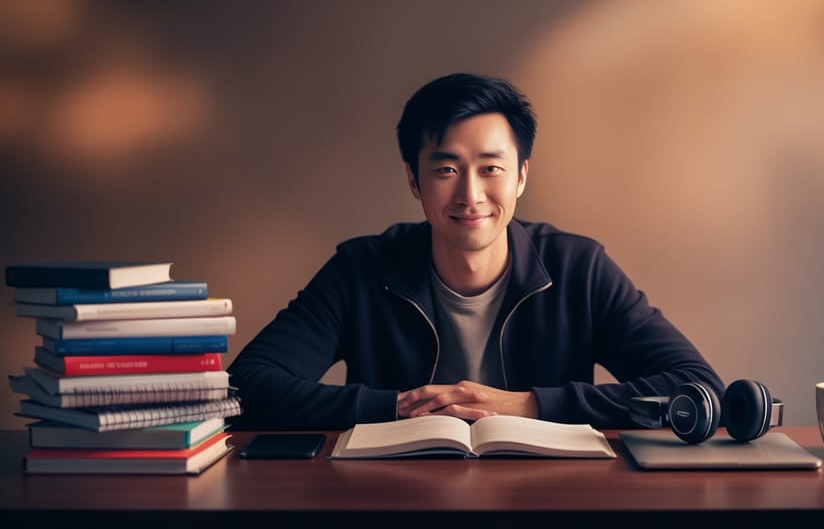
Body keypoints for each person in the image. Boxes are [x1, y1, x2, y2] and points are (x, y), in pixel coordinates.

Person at [226, 72, 724, 430]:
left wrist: (527, 405)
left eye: (491, 168)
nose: (470, 195)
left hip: (550, 500)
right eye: (446, 170)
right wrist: (398, 407)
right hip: (391, 500)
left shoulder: (578, 267)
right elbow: (244, 386)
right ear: (413, 180)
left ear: (522, 176)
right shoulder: (361, 267)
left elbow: (700, 389)